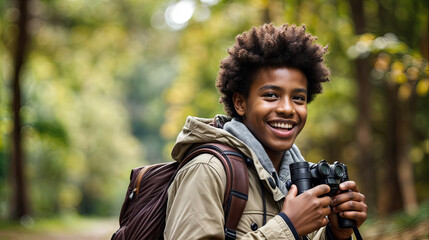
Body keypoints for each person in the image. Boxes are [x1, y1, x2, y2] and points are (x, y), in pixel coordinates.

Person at [164, 23, 368, 240]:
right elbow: (289, 229)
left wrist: (335, 233)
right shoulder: (208, 169)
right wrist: (288, 227)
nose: (288, 109)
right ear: (240, 103)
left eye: (298, 98)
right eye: (271, 95)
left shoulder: (300, 177)